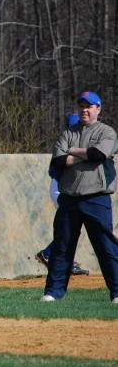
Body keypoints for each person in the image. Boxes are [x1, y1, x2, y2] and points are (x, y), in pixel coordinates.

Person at [42, 91, 118, 303]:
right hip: (69, 198)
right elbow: (58, 160)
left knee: (106, 247)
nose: (84, 110)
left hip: (96, 197)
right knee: (62, 247)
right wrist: (86, 153)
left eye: (89, 106)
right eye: (82, 106)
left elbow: (99, 155)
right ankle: (53, 293)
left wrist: (73, 152)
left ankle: (117, 292)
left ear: (98, 109)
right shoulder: (68, 132)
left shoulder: (106, 132)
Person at [35, 113, 89, 276]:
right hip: (61, 188)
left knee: (72, 226)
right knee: (71, 225)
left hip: (63, 188)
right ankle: (50, 254)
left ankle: (53, 255)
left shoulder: (71, 143)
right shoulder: (67, 145)